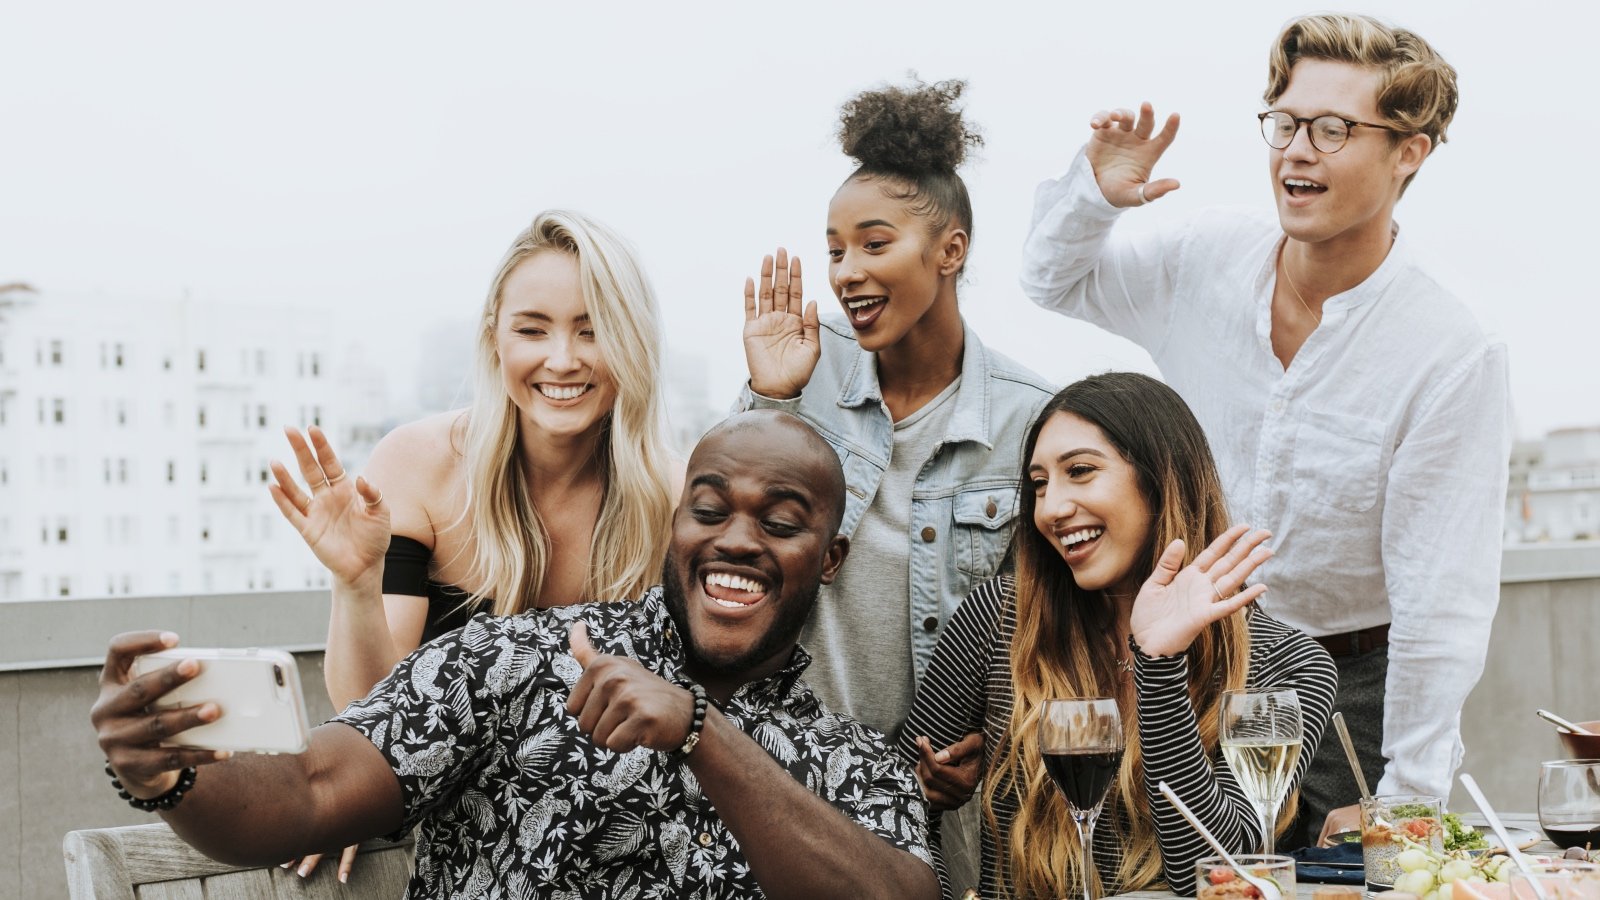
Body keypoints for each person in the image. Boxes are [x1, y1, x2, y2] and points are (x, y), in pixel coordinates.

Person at [92, 411, 939, 900]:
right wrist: (170, 773)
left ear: (828, 561)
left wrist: (698, 731)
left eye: (782, 524)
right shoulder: (514, 660)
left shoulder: (853, 763)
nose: (736, 541)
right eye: (708, 510)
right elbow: (310, 790)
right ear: (675, 528)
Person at [1018, 13, 1511, 845]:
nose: (1296, 150)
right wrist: (1092, 197)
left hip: (1347, 686)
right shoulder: (1207, 257)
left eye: (1333, 128)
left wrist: (1409, 795)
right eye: (1284, 123)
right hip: (1187, 658)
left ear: (1409, 151)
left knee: (1327, 885)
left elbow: (1442, 606)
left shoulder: (1450, 353)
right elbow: (1051, 279)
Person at [269, 209, 682, 880]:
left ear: (632, 341)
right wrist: (355, 585)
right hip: (452, 845)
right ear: (494, 337)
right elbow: (376, 709)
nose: (562, 359)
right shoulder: (418, 464)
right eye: (533, 329)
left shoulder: (671, 495)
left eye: (592, 329)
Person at [737, 79, 1054, 890]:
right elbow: (724, 542)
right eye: (836, 249)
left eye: (874, 244)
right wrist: (770, 395)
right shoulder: (802, 376)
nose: (846, 271)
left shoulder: (1031, 422)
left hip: (944, 802)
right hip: (788, 772)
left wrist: (991, 738)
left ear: (950, 250)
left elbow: (1044, 628)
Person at [902, 373, 1338, 898]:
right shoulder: (999, 618)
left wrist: (1158, 663)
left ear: (1160, 478)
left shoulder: (1288, 662)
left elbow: (1219, 871)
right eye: (1039, 484)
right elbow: (890, 809)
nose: (1050, 509)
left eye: (1080, 472)